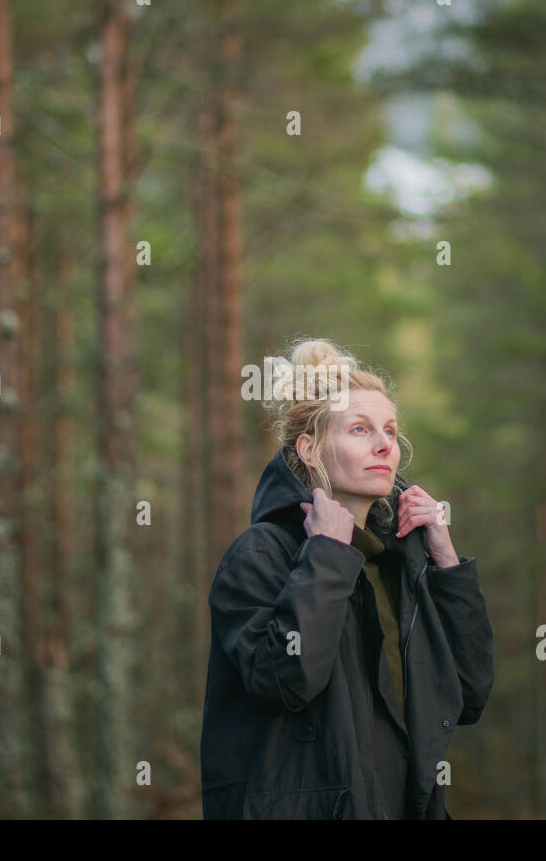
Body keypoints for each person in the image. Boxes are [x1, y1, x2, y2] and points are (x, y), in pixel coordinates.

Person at [200, 338, 495, 819]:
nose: (385, 444)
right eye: (360, 429)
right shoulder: (260, 555)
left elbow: (467, 695)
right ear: (310, 448)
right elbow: (286, 680)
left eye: (391, 431)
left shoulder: (396, 561)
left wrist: (445, 562)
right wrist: (327, 557)